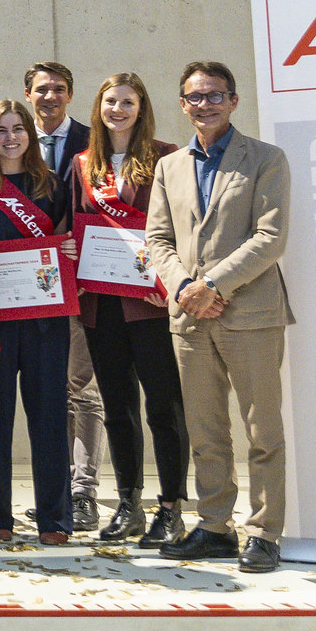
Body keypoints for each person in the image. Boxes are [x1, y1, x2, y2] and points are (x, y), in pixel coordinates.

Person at [150, 61, 294, 575]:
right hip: (190, 317)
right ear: (182, 104)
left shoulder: (266, 159)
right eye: (194, 97)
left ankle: (263, 532)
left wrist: (213, 285)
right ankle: (214, 527)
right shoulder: (168, 167)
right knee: (206, 430)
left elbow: (270, 238)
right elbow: (158, 241)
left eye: (215, 96)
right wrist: (186, 288)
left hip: (250, 313)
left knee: (262, 429)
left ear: (233, 101)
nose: (204, 105)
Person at [70, 72, 189, 549]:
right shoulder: (82, 163)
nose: (117, 109)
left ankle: (172, 507)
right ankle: (128, 503)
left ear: (142, 108)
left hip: (151, 305)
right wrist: (70, 250)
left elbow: (182, 228)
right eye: (110, 101)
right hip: (101, 306)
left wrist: (171, 281)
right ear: (98, 108)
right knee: (118, 409)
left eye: (127, 102)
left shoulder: (166, 157)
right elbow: (74, 226)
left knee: (164, 408)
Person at [0, 100, 72, 545]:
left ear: (30, 135)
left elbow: (71, 236)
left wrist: (71, 251)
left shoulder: (50, 184)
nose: (10, 138)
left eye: (18, 128)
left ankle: (55, 518)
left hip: (45, 320)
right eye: (0, 130)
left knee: (49, 416)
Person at [28, 60, 104, 535]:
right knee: (47, 391)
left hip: (82, 280)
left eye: (58, 89)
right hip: (30, 286)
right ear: (28, 94)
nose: (49, 97)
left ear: (70, 95)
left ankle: (84, 491)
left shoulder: (93, 143)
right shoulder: (8, 141)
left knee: (83, 389)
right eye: (41, 90)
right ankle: (55, 490)